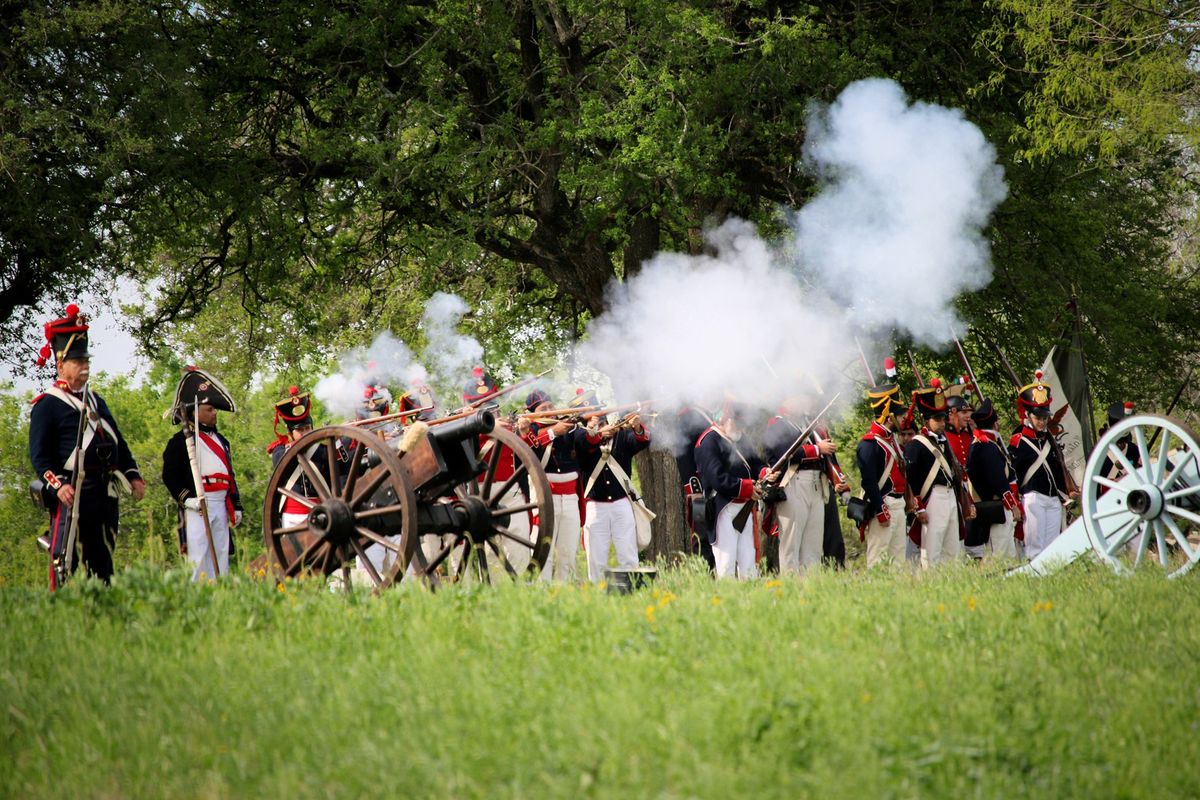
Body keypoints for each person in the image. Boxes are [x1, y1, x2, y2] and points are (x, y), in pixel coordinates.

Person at [29, 304, 146, 588]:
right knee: (65, 560)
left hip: (104, 491)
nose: (85, 367)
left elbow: (118, 441)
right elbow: (40, 457)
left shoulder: (96, 401)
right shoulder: (47, 405)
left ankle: (102, 612)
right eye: (77, 362)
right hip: (73, 489)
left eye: (86, 361)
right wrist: (58, 486)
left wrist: (132, 474)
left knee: (102, 560)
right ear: (60, 364)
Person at [161, 366, 242, 580]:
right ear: (195, 412)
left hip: (220, 502)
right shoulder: (180, 442)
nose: (215, 412)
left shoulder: (222, 441)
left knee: (221, 554)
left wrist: (237, 504)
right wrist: (189, 500)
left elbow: (229, 476)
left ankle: (221, 595)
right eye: (210, 409)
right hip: (197, 505)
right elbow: (170, 476)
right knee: (198, 557)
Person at [575, 389, 651, 582]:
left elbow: (640, 441)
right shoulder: (581, 440)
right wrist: (595, 434)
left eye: (601, 420)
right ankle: (597, 593)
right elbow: (583, 447)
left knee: (628, 555)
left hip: (621, 503)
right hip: (594, 505)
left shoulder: (621, 436)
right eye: (592, 422)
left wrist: (637, 427)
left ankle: (633, 591)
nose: (599, 424)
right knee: (596, 559)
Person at [763, 397, 840, 575]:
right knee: (791, 546)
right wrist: (817, 449)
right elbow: (785, 452)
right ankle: (790, 590)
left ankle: (810, 588)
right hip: (793, 485)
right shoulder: (777, 425)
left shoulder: (808, 426)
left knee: (813, 547)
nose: (805, 401)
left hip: (815, 485)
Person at [695, 402, 769, 579]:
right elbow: (718, 480)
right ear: (724, 418)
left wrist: (765, 472)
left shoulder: (738, 436)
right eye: (736, 422)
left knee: (749, 562)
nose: (740, 427)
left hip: (745, 507)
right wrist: (749, 488)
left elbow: (754, 462)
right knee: (726, 562)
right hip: (723, 509)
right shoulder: (708, 441)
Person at [1009, 372, 1077, 560]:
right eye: (1038, 418)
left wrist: (1066, 492)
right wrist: (1015, 502)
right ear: (1028, 416)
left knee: (1053, 547)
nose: (1042, 422)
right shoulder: (1018, 441)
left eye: (1044, 418)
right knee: (1035, 548)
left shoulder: (1050, 440)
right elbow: (1012, 474)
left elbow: (1058, 469)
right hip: (1033, 497)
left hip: (1053, 499)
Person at [518, 388, 582, 581]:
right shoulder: (531, 430)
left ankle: (565, 597)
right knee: (542, 554)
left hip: (570, 497)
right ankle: (541, 591)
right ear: (533, 412)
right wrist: (553, 432)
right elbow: (530, 453)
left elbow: (584, 442)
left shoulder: (566, 423)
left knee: (568, 554)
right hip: (546, 497)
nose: (549, 410)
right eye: (543, 408)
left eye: (550, 406)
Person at [905, 381, 970, 567]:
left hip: (949, 496)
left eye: (943, 418)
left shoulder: (943, 442)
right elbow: (912, 478)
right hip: (932, 498)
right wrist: (919, 507)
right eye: (938, 419)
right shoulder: (916, 445)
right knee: (932, 548)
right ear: (927, 420)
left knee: (953, 548)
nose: (943, 423)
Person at [855, 380, 910, 568]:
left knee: (898, 562)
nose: (903, 419)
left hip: (898, 504)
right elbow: (869, 481)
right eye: (899, 415)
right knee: (878, 560)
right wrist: (879, 508)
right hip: (884, 504)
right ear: (889, 415)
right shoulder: (870, 444)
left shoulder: (890, 439)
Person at [966, 398, 1022, 561]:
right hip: (996, 506)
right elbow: (998, 480)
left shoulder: (985, 445)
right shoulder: (986, 447)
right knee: (1001, 553)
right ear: (994, 423)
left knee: (1006, 552)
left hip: (995, 505)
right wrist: (1012, 505)